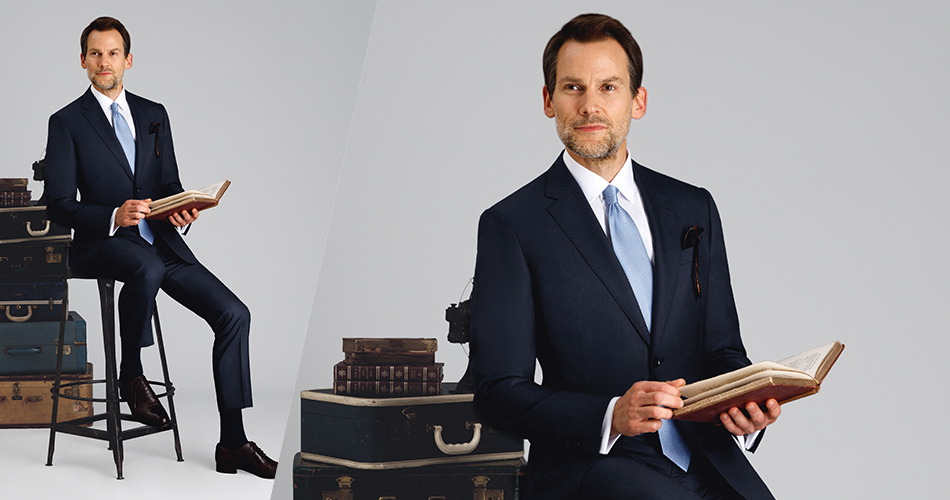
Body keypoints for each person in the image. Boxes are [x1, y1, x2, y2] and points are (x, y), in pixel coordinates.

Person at [470, 14, 780, 499]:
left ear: (638, 101)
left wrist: (746, 402)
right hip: (588, 469)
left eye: (609, 87)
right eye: (573, 87)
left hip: (707, 457)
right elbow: (498, 391)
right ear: (549, 100)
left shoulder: (692, 207)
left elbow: (723, 349)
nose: (590, 104)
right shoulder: (512, 224)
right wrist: (609, 414)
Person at [44, 16, 276, 479]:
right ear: (82, 61)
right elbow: (58, 205)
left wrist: (182, 209)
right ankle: (131, 372)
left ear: (128, 60)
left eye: (112, 53)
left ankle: (233, 442)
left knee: (235, 314)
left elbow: (168, 183)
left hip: (159, 241)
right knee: (144, 266)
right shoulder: (67, 121)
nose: (104, 62)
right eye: (95, 53)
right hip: (100, 243)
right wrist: (113, 215)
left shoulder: (154, 114)